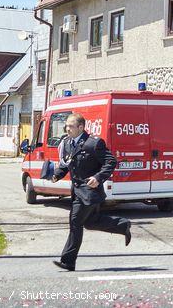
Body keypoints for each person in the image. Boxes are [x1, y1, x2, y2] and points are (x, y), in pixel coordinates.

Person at [51, 112, 131, 271]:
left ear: (81, 127)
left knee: (75, 222)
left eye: (71, 126)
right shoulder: (67, 143)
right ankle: (122, 225)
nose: (67, 129)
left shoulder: (93, 143)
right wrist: (56, 175)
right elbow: (67, 164)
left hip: (89, 192)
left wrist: (98, 177)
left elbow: (110, 161)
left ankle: (68, 261)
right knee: (90, 222)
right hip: (77, 192)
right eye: (66, 125)